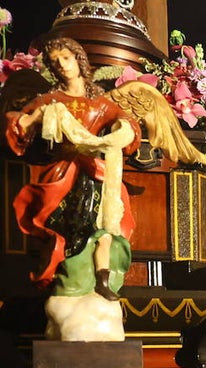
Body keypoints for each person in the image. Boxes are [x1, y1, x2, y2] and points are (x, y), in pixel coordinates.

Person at [6, 37, 142, 300]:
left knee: (103, 225)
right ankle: (69, 278)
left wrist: (123, 128)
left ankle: (102, 278)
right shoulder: (51, 99)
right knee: (72, 227)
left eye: (66, 58)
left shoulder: (100, 104)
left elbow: (126, 123)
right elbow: (18, 126)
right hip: (64, 173)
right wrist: (36, 117)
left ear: (79, 59)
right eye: (55, 62)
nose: (62, 66)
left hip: (95, 172)